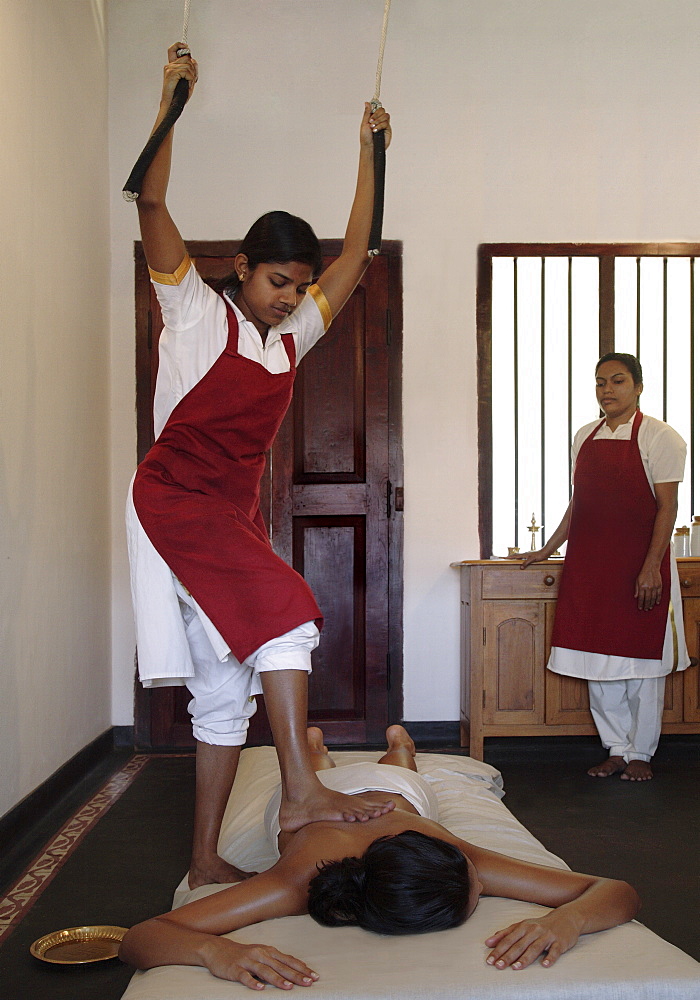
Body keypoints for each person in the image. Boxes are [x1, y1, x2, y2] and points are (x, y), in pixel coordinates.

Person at [125, 44, 395, 890]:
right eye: (278, 280)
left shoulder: (287, 345)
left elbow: (357, 253)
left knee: (221, 691)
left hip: (224, 516)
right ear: (241, 268)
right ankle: (301, 792)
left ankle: (204, 859)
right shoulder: (191, 307)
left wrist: (371, 151)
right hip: (173, 501)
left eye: (298, 286)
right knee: (287, 612)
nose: (289, 296)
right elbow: (154, 197)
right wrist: (172, 101)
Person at [119, 725, 640, 989]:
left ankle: (371, 746)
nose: (483, 886)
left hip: (389, 794)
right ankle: (334, 750)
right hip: (345, 799)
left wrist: (568, 922)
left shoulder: (451, 857)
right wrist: (218, 954)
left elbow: (616, 891)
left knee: (395, 772)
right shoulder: (296, 880)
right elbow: (139, 942)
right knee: (373, 777)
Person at [514, 353, 690, 781]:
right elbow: (581, 503)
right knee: (596, 659)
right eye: (600, 383)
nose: (607, 390)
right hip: (592, 564)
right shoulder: (583, 436)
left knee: (642, 661)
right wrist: (548, 548)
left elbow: (668, 506)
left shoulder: (662, 437)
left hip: (640, 563)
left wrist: (652, 568)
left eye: (617, 381)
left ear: (638, 387)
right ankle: (615, 747)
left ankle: (641, 754)